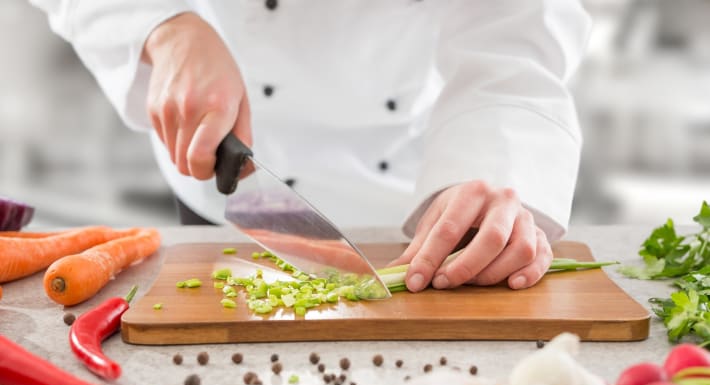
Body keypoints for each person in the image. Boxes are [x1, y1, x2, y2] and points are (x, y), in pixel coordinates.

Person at [30, 0, 592, 293]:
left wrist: (492, 168)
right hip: (231, 170)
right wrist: (163, 28)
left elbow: (518, 37)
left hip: (428, 194)